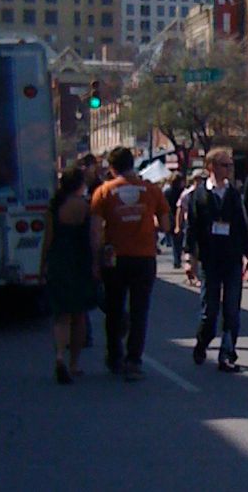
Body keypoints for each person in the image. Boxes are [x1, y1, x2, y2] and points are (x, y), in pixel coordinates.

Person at [90, 146, 171, 381]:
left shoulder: (103, 192)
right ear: (132, 164)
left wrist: (95, 261)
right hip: (144, 257)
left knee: (114, 309)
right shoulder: (152, 190)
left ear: (112, 168)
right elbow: (166, 225)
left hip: (115, 258)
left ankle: (115, 356)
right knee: (140, 311)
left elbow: (95, 232)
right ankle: (134, 360)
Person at [185, 147, 248, 372]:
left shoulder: (234, 194)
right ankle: (202, 341)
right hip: (210, 260)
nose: (229, 169)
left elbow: (242, 226)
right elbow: (191, 228)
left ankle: (227, 354)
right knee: (209, 311)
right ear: (211, 167)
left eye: (230, 165)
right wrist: (188, 257)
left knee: (232, 309)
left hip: (231, 259)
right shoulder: (199, 195)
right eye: (224, 165)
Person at [40, 165, 98, 384]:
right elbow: (93, 239)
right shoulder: (86, 207)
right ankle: (74, 364)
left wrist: (42, 266)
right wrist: (96, 265)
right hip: (80, 263)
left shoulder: (54, 208)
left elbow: (47, 241)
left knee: (61, 315)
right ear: (80, 184)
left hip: (59, 262)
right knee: (79, 316)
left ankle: (59, 356)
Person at [162, 171, 184, 270]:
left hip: (171, 217)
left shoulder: (167, 192)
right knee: (179, 239)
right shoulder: (183, 191)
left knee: (175, 240)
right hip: (181, 216)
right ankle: (178, 259)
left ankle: (177, 260)